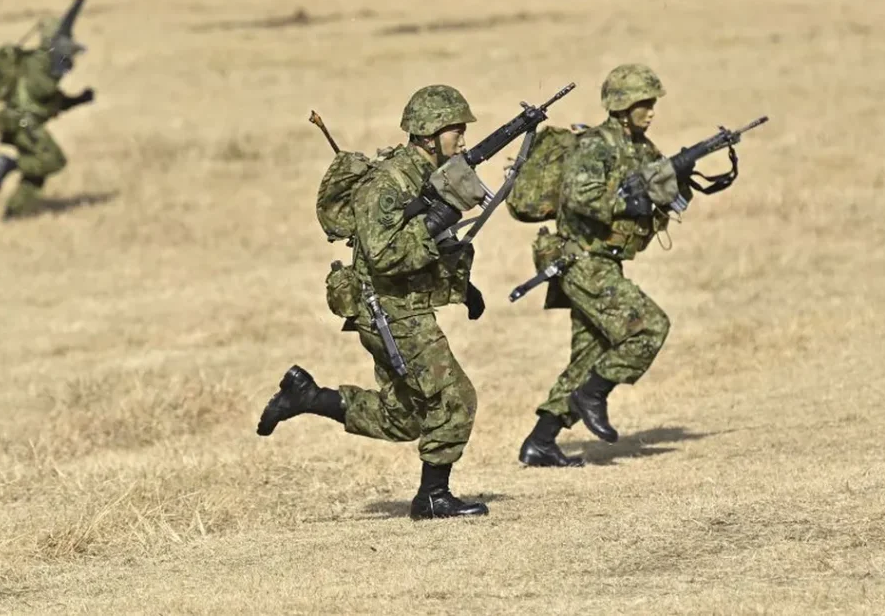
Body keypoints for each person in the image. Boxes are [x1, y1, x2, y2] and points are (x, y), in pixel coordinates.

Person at [256, 85, 491, 520]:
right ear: (428, 133)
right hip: (388, 309)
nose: (463, 138)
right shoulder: (387, 183)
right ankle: (433, 498)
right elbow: (383, 254)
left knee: (405, 417)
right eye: (456, 129)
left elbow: (433, 243)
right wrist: (439, 219)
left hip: (408, 303)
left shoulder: (428, 174)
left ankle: (307, 397)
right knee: (455, 397)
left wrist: (463, 287)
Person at [518, 64, 677, 467]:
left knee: (589, 355)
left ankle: (541, 441)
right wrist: (626, 204)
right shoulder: (596, 145)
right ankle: (593, 395)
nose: (651, 112)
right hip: (582, 262)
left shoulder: (641, 147)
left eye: (653, 103)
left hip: (605, 263)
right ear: (622, 105)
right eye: (644, 104)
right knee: (649, 327)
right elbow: (577, 195)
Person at [0, 17, 94, 220]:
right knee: (53, 160)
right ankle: (10, 164)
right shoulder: (40, 64)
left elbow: (48, 101)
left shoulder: (41, 63)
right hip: (22, 123)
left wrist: (79, 99)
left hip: (20, 121)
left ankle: (14, 212)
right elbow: (44, 92)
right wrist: (62, 63)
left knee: (37, 174)